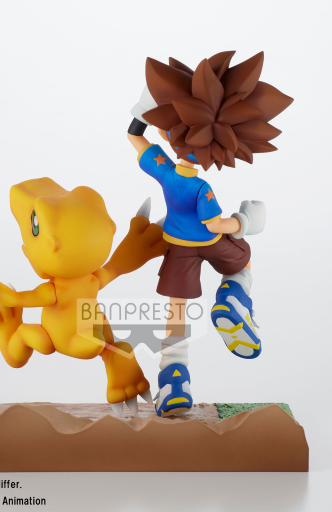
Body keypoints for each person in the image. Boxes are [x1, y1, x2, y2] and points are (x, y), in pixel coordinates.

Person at [126, 51, 293, 417]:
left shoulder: (165, 173)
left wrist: (143, 111)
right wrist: (245, 221)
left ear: (170, 135)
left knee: (177, 311)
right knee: (242, 264)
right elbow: (215, 225)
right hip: (211, 244)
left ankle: (174, 379)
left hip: (178, 251)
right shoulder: (202, 188)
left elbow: (134, 137)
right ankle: (232, 297)